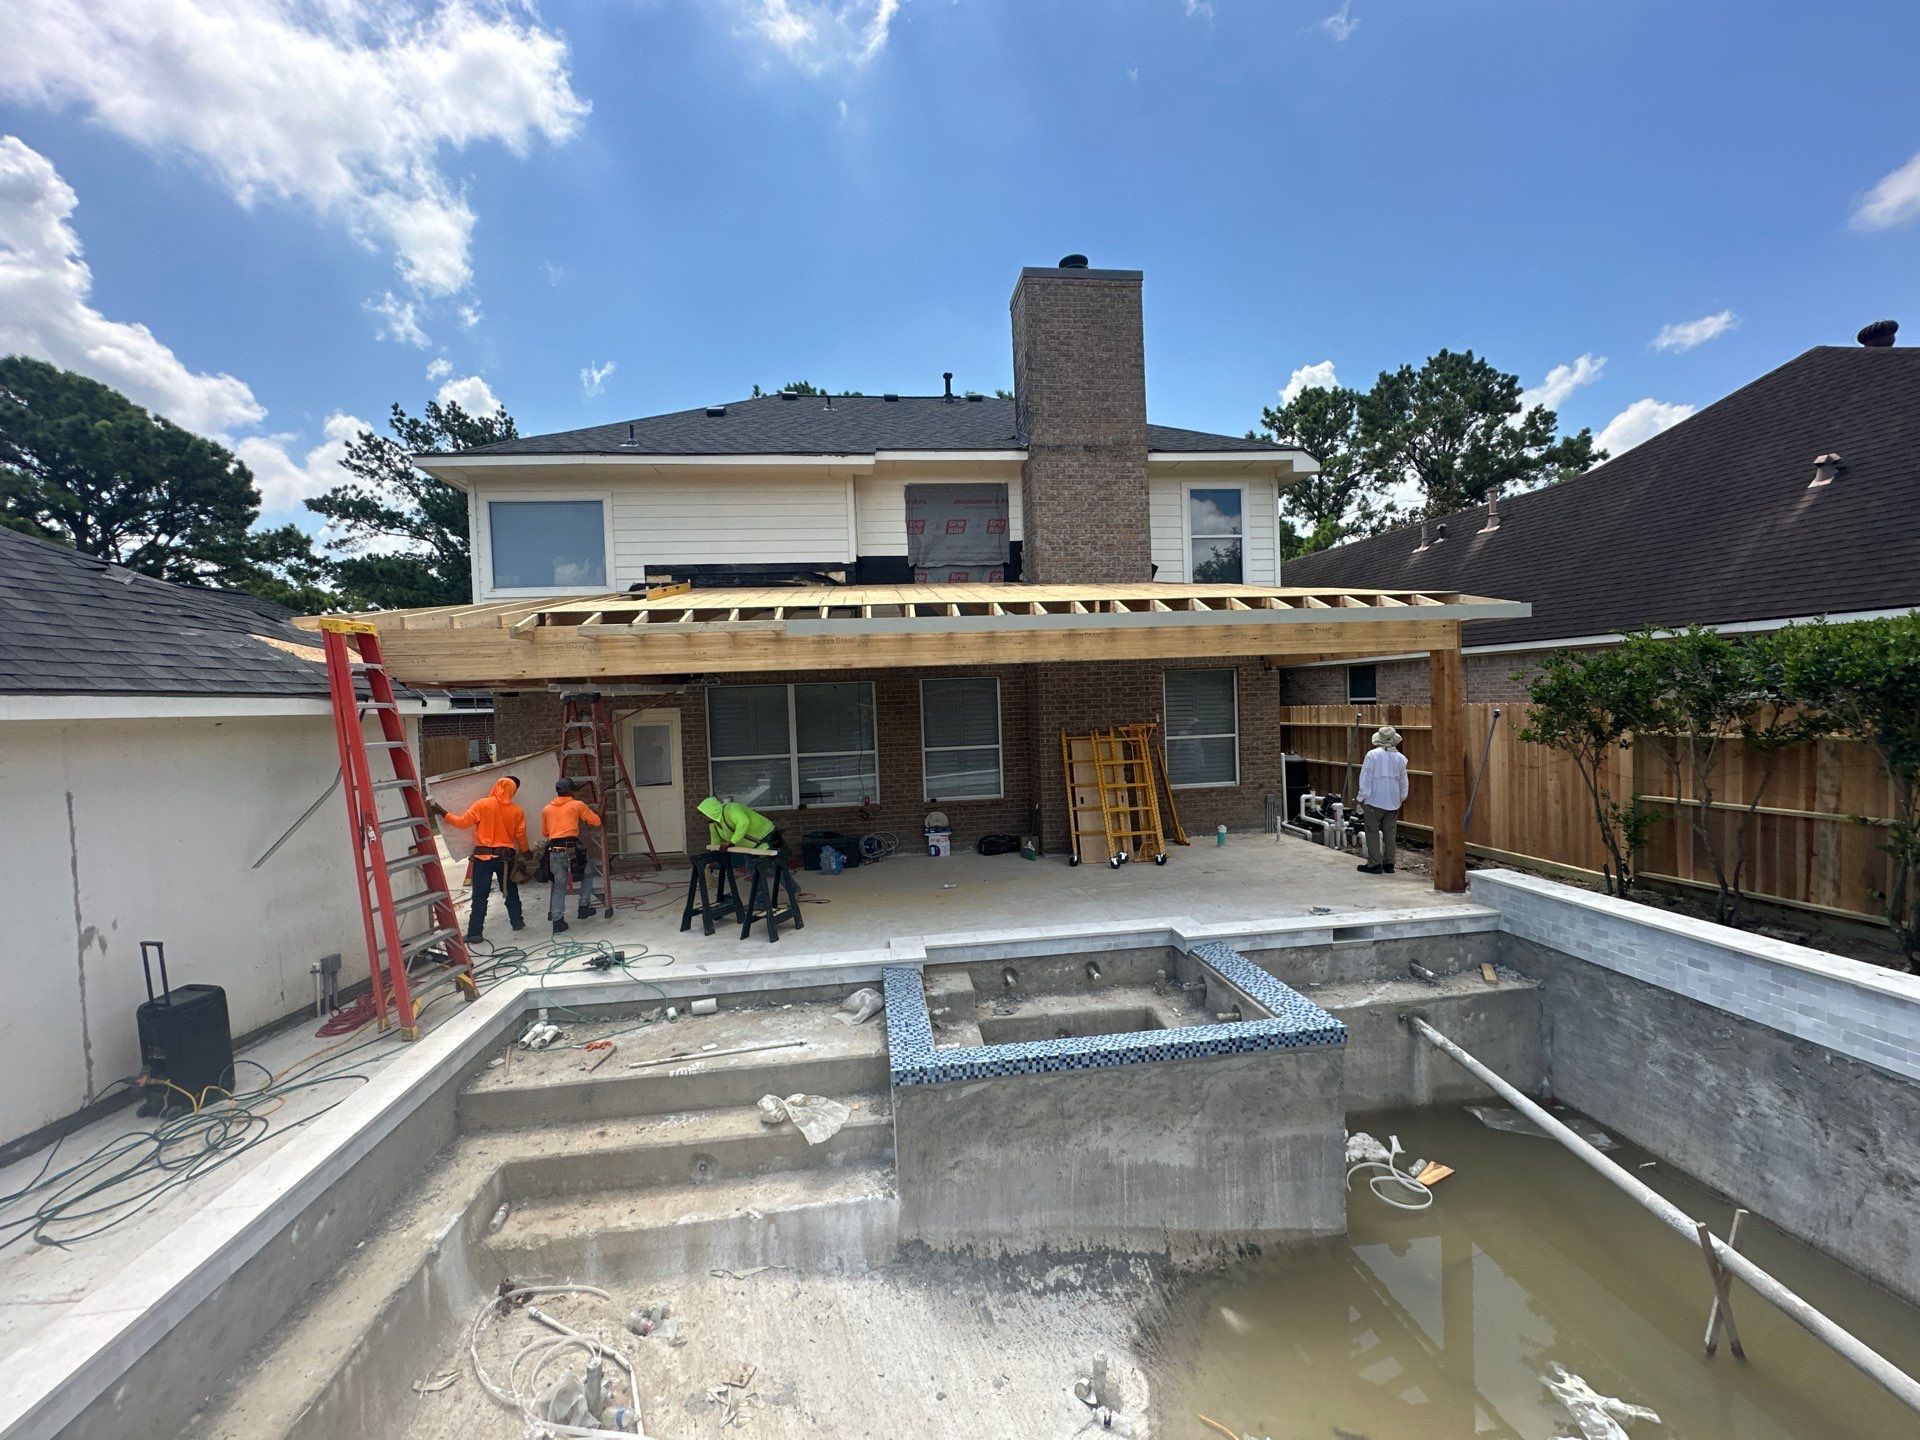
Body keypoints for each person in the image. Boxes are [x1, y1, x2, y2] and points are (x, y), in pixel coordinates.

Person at [429, 776, 529, 942]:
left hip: (483, 859)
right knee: (510, 891)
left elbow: (462, 823)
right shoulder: (517, 810)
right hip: (506, 859)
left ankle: (475, 933)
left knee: (480, 896)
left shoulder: (483, 804)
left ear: (496, 787)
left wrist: (442, 812)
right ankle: (517, 921)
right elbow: (521, 835)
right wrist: (526, 851)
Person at [541, 778, 605, 932]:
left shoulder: (546, 809)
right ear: (571, 791)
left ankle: (558, 921)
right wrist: (600, 810)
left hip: (554, 851)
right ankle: (583, 907)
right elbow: (596, 822)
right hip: (573, 851)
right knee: (587, 875)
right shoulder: (578, 805)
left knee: (559, 885)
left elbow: (545, 832)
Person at [1355, 725, 1410, 875]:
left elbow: (1365, 778)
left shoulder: (1372, 755)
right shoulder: (1400, 758)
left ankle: (1374, 864)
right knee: (1390, 833)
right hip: (1393, 801)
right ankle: (1389, 863)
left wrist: (1360, 797)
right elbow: (1404, 781)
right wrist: (1402, 797)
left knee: (1372, 832)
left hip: (1374, 800)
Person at [695, 796, 785, 856]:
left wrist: (732, 842)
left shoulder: (730, 808)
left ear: (711, 811)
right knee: (755, 870)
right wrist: (713, 859)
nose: (703, 818)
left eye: (704, 814)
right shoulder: (714, 825)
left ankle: (788, 882)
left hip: (767, 838)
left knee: (774, 869)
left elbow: (743, 822)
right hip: (752, 848)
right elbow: (715, 842)